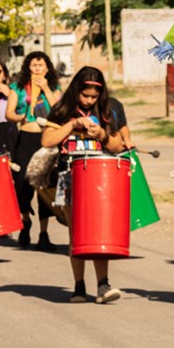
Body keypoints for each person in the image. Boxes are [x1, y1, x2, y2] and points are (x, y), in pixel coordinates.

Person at [40, 66, 125, 304]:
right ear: (76, 90)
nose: (89, 100)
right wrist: (72, 125)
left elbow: (118, 146)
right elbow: (47, 140)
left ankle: (103, 284)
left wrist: (101, 135)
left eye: (93, 97)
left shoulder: (106, 111)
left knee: (99, 230)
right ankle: (79, 286)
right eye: (85, 95)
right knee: (76, 231)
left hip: (99, 178)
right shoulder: (62, 110)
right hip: (69, 176)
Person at [7, 52, 62, 251]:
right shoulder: (18, 88)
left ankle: (44, 233)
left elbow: (59, 109)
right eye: (34, 65)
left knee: (45, 186)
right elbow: (9, 112)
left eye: (41, 65)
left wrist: (46, 88)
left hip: (46, 140)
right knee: (22, 183)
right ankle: (25, 220)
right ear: (27, 67)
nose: (37, 68)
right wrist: (19, 116)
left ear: (47, 68)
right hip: (26, 138)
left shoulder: (54, 88)